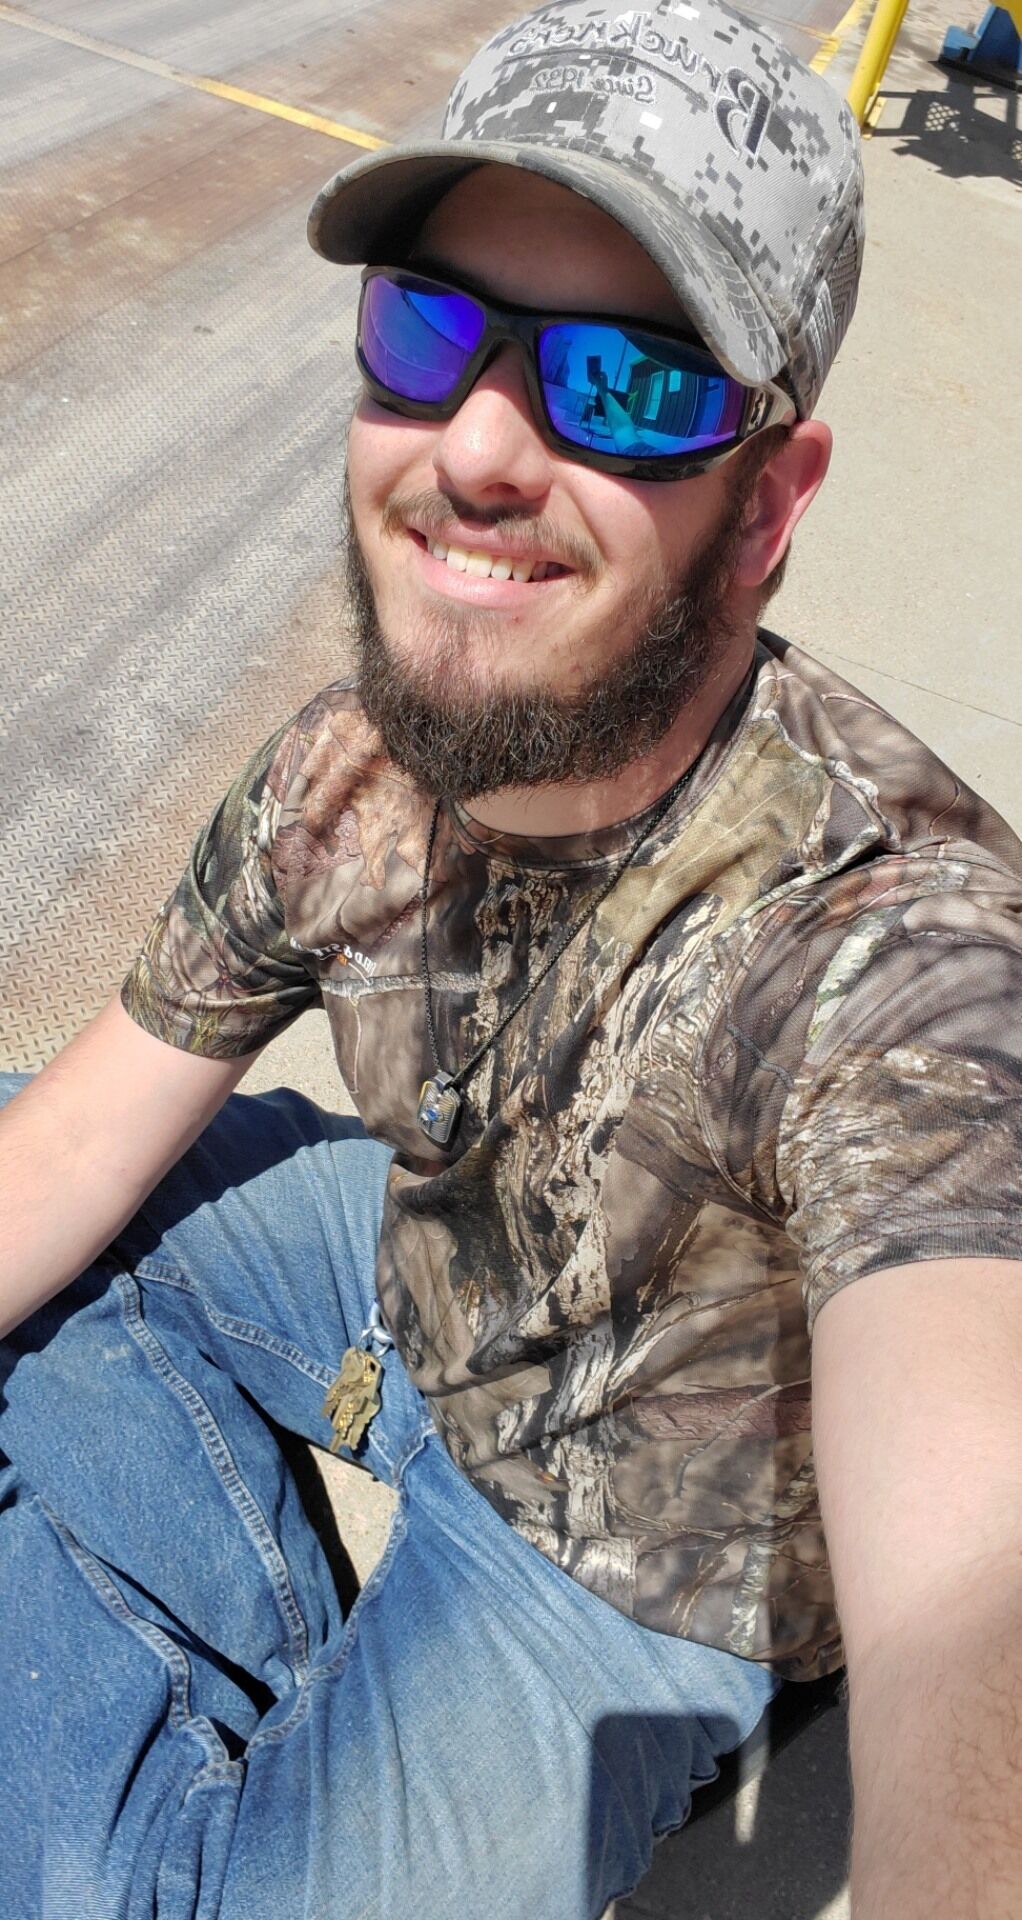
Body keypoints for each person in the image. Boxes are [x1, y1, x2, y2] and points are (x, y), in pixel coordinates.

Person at [2, 1, 1020, 1915]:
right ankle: (273, 1689)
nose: (474, 448)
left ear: (766, 506)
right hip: (410, 1289)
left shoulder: (900, 953)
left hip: (634, 1565)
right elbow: (65, 1148)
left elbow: (983, 1578)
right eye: (427, 331)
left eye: (622, 385)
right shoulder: (342, 774)